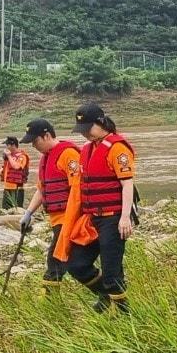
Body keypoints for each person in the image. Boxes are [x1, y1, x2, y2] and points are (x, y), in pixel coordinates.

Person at [54, 103, 137, 313]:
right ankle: (105, 296)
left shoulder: (117, 148)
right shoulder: (87, 150)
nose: (84, 134)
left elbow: (127, 184)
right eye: (81, 130)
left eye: (87, 129)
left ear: (101, 123)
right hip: (91, 219)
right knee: (76, 265)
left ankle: (123, 315)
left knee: (112, 272)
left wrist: (125, 218)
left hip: (113, 218)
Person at [19, 119, 81, 296]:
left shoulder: (68, 154)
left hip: (69, 218)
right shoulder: (46, 159)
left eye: (35, 141)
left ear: (46, 135)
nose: (33, 146)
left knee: (55, 259)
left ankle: (49, 300)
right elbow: (42, 189)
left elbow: (78, 189)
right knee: (67, 260)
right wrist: (29, 212)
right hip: (56, 219)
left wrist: (72, 217)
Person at [0, 135, 30, 210]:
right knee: (5, 209)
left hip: (16, 187)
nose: (6, 147)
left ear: (13, 145)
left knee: (16, 209)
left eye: (8, 145)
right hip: (7, 186)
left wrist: (9, 156)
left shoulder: (22, 156)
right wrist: (1, 171)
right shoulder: (9, 156)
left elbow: (17, 166)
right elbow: (6, 168)